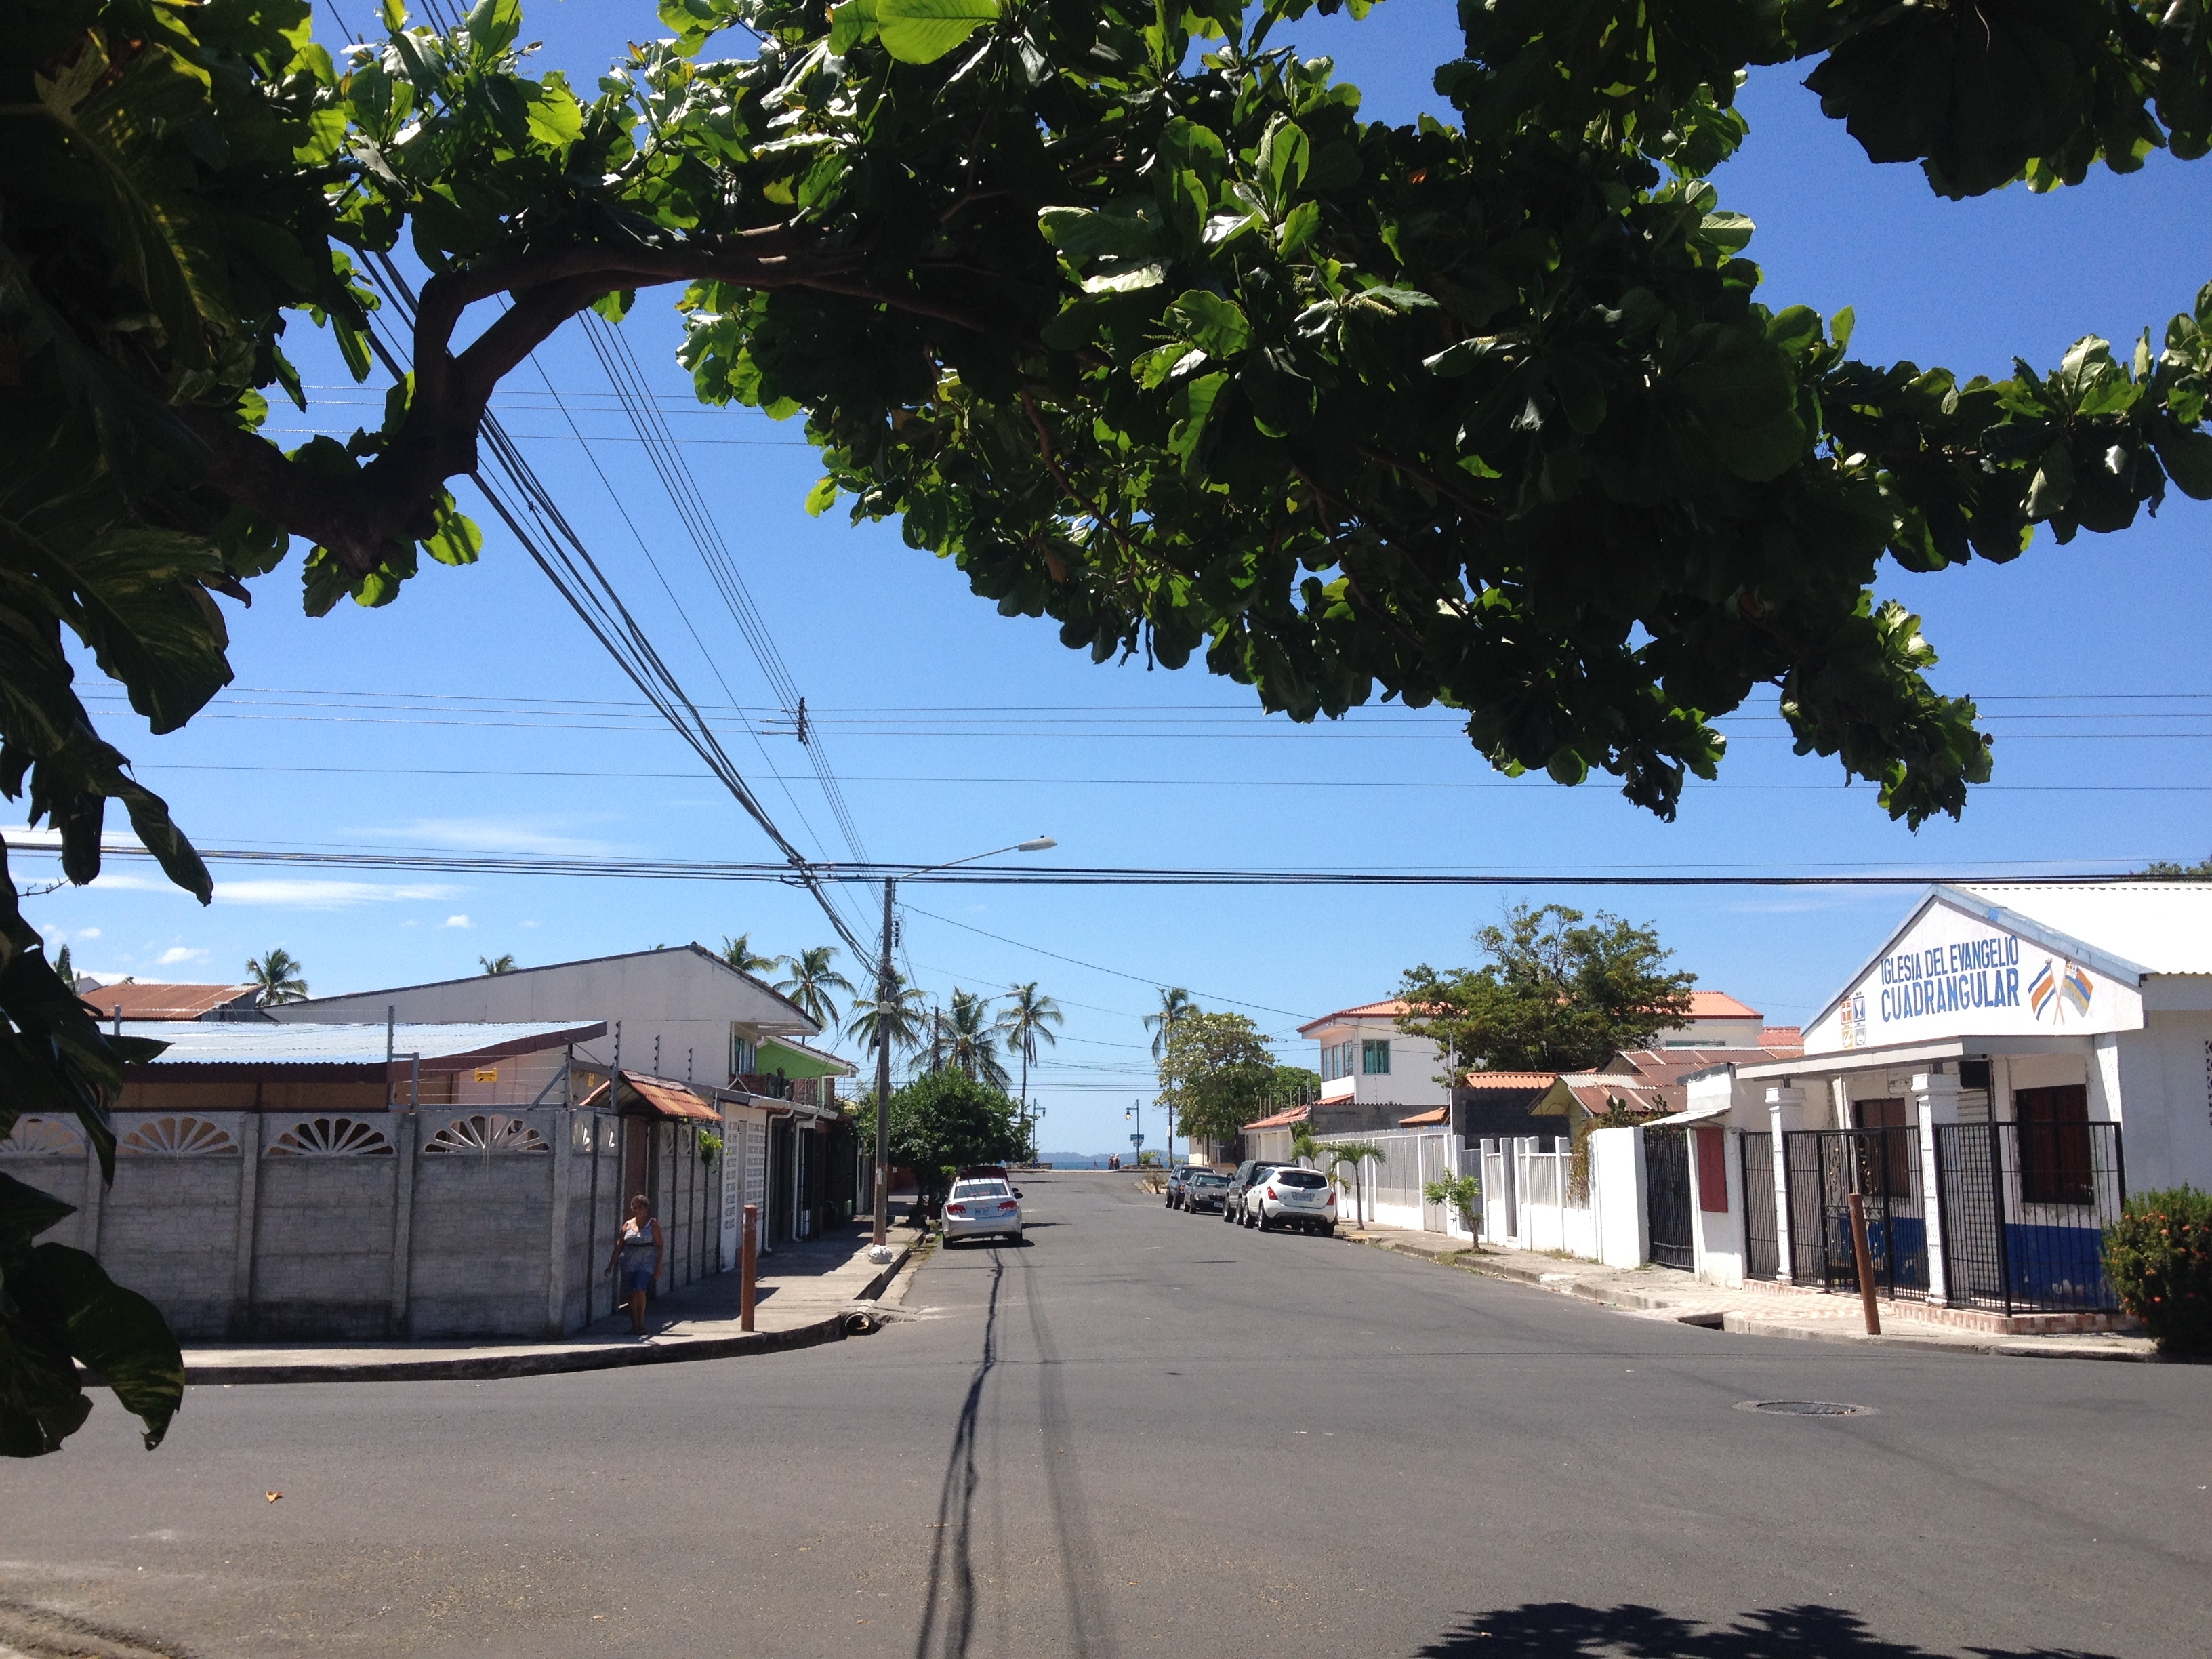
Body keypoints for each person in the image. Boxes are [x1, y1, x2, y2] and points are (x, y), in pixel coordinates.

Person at [606, 1194, 662, 1336]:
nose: (637, 1210)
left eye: (640, 1208)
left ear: (646, 1209)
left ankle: (642, 1323)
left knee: (640, 1289)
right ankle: (635, 1325)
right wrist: (611, 1265)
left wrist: (658, 1266)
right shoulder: (627, 1225)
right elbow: (619, 1246)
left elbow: (660, 1246)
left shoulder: (652, 1224)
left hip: (646, 1262)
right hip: (629, 1262)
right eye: (634, 1207)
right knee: (630, 1294)